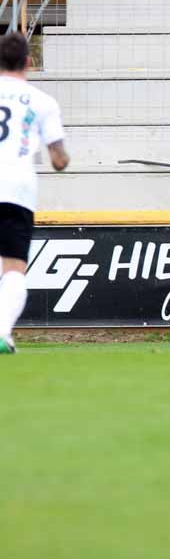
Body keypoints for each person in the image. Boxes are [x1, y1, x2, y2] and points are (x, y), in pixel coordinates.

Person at [0, 32, 70, 354]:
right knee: (14, 268)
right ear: (29, 61)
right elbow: (59, 160)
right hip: (16, 190)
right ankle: (2, 332)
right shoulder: (43, 101)